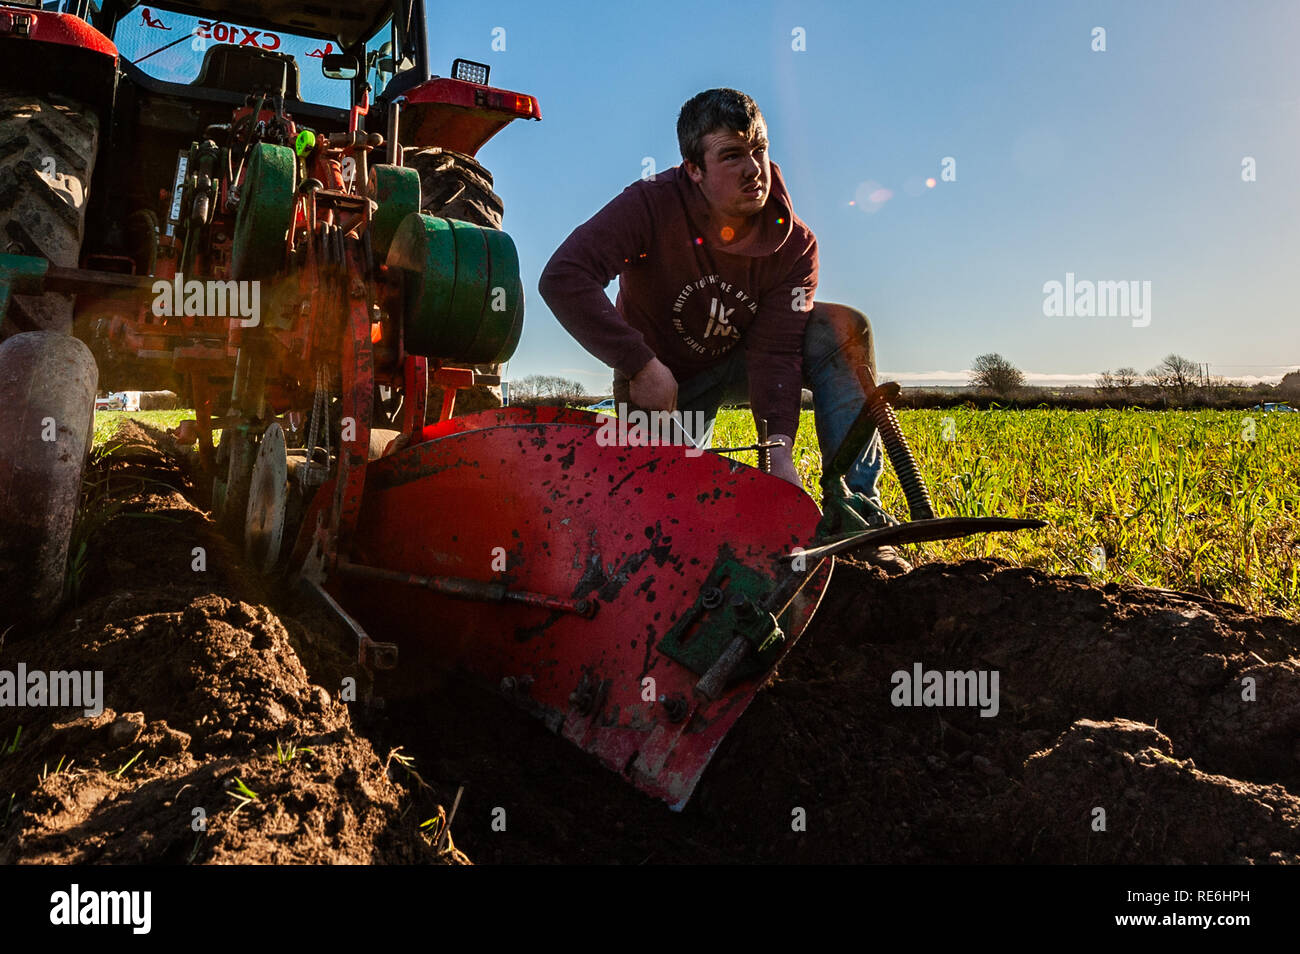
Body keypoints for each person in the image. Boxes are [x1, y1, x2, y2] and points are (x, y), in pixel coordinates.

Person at [538, 88, 909, 574]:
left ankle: (856, 518)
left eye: (758, 149)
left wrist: (778, 454)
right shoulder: (649, 205)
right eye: (731, 155)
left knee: (842, 329)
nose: (753, 168)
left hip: (742, 360)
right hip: (663, 381)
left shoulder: (793, 244)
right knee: (661, 528)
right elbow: (564, 277)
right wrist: (638, 363)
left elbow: (775, 352)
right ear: (693, 168)